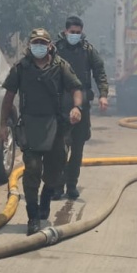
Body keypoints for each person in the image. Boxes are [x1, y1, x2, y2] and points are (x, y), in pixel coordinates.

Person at [1, 28, 84, 235]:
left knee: (55, 171)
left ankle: (46, 197)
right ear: (30, 45)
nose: (39, 46)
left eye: (42, 43)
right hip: (30, 126)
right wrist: (2, 125)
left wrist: (77, 108)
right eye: (35, 42)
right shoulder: (21, 68)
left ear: (49, 45)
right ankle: (32, 216)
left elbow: (76, 89)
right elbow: (9, 97)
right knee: (32, 171)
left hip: (54, 126)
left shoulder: (60, 66)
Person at [53, 16, 109, 201]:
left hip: (82, 106)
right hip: (60, 106)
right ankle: (57, 186)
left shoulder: (88, 50)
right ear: (65, 31)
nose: (75, 35)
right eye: (72, 32)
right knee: (59, 148)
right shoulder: (55, 49)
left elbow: (100, 72)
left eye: (78, 33)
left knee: (77, 147)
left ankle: (71, 185)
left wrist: (103, 94)